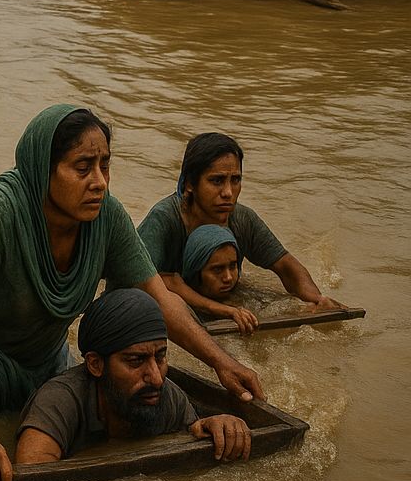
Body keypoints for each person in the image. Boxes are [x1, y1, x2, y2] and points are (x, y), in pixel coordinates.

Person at [0, 104, 264, 481]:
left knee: (81, 397)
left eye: (105, 165)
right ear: (44, 168)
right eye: (83, 167)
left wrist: (223, 362)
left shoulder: (105, 216)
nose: (100, 181)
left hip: (41, 358)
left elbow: (160, 299)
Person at [139, 132, 345, 333]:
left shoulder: (242, 219)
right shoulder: (164, 220)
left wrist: (317, 300)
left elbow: (285, 265)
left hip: (217, 294)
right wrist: (222, 310)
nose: (228, 192)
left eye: (235, 180)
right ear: (190, 184)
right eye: (217, 181)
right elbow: (149, 283)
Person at [15, 289, 251, 464]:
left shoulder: (168, 398)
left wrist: (216, 426)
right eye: (136, 361)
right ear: (96, 365)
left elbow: (192, 433)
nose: (156, 378)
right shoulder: (58, 401)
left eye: (160, 357)